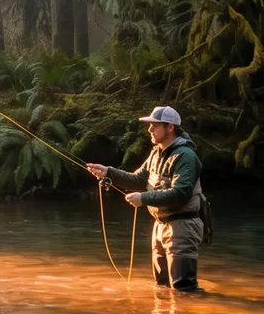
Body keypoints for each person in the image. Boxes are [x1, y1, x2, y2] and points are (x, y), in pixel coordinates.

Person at [84, 106, 206, 292]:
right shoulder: (156, 153)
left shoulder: (186, 156)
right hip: (160, 226)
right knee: (162, 287)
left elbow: (181, 193)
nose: (149, 129)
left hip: (182, 226)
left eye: (154, 126)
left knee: (184, 290)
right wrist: (108, 172)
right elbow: (138, 179)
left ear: (170, 127)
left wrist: (143, 198)